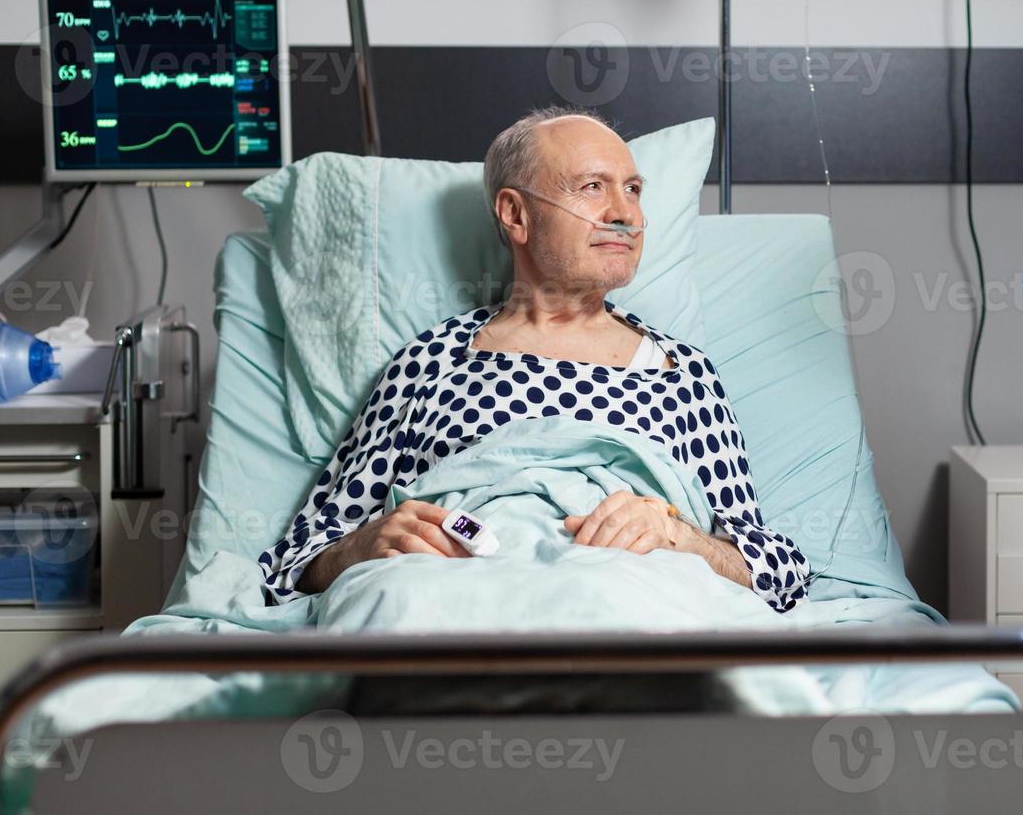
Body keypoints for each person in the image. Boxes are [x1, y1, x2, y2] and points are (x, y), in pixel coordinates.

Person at [260, 106, 809, 612]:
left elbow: (777, 574)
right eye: (592, 187)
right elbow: (295, 563)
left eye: (634, 190)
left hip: (623, 594)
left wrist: (681, 538)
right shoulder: (429, 363)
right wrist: (365, 544)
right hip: (447, 598)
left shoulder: (682, 374)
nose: (624, 214)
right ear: (515, 214)